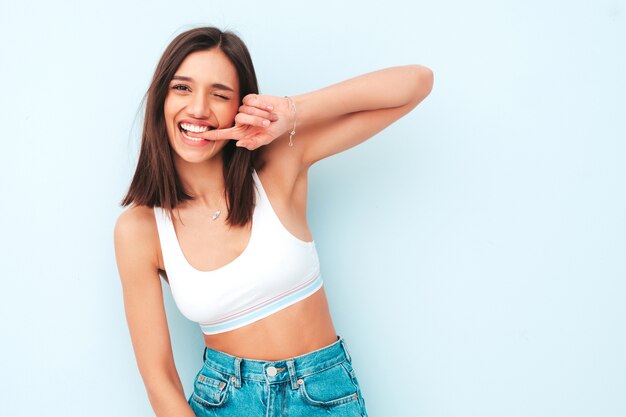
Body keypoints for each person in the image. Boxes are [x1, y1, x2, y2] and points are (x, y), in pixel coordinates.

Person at [114, 26, 433, 417]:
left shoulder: (280, 166)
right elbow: (159, 380)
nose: (198, 109)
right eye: (182, 88)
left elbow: (416, 83)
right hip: (223, 403)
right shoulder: (140, 230)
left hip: (321, 395)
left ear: (240, 107)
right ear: (161, 99)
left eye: (219, 94)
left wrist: (288, 111)